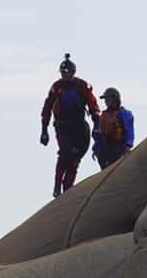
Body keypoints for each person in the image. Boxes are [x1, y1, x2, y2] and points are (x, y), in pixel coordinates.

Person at [41, 53, 100, 197]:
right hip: (63, 126)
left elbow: (92, 104)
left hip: (79, 125)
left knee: (75, 158)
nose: (65, 75)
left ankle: (68, 189)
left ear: (73, 72)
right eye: (62, 72)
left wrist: (97, 124)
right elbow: (47, 107)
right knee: (64, 154)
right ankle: (57, 185)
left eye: (67, 72)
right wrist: (44, 129)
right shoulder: (57, 87)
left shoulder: (81, 86)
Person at [92, 87, 135, 169]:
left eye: (108, 99)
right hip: (105, 149)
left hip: (118, 148)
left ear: (115, 98)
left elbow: (129, 131)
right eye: (105, 99)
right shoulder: (103, 116)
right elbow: (100, 135)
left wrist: (128, 145)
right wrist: (96, 148)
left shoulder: (124, 114)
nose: (106, 102)